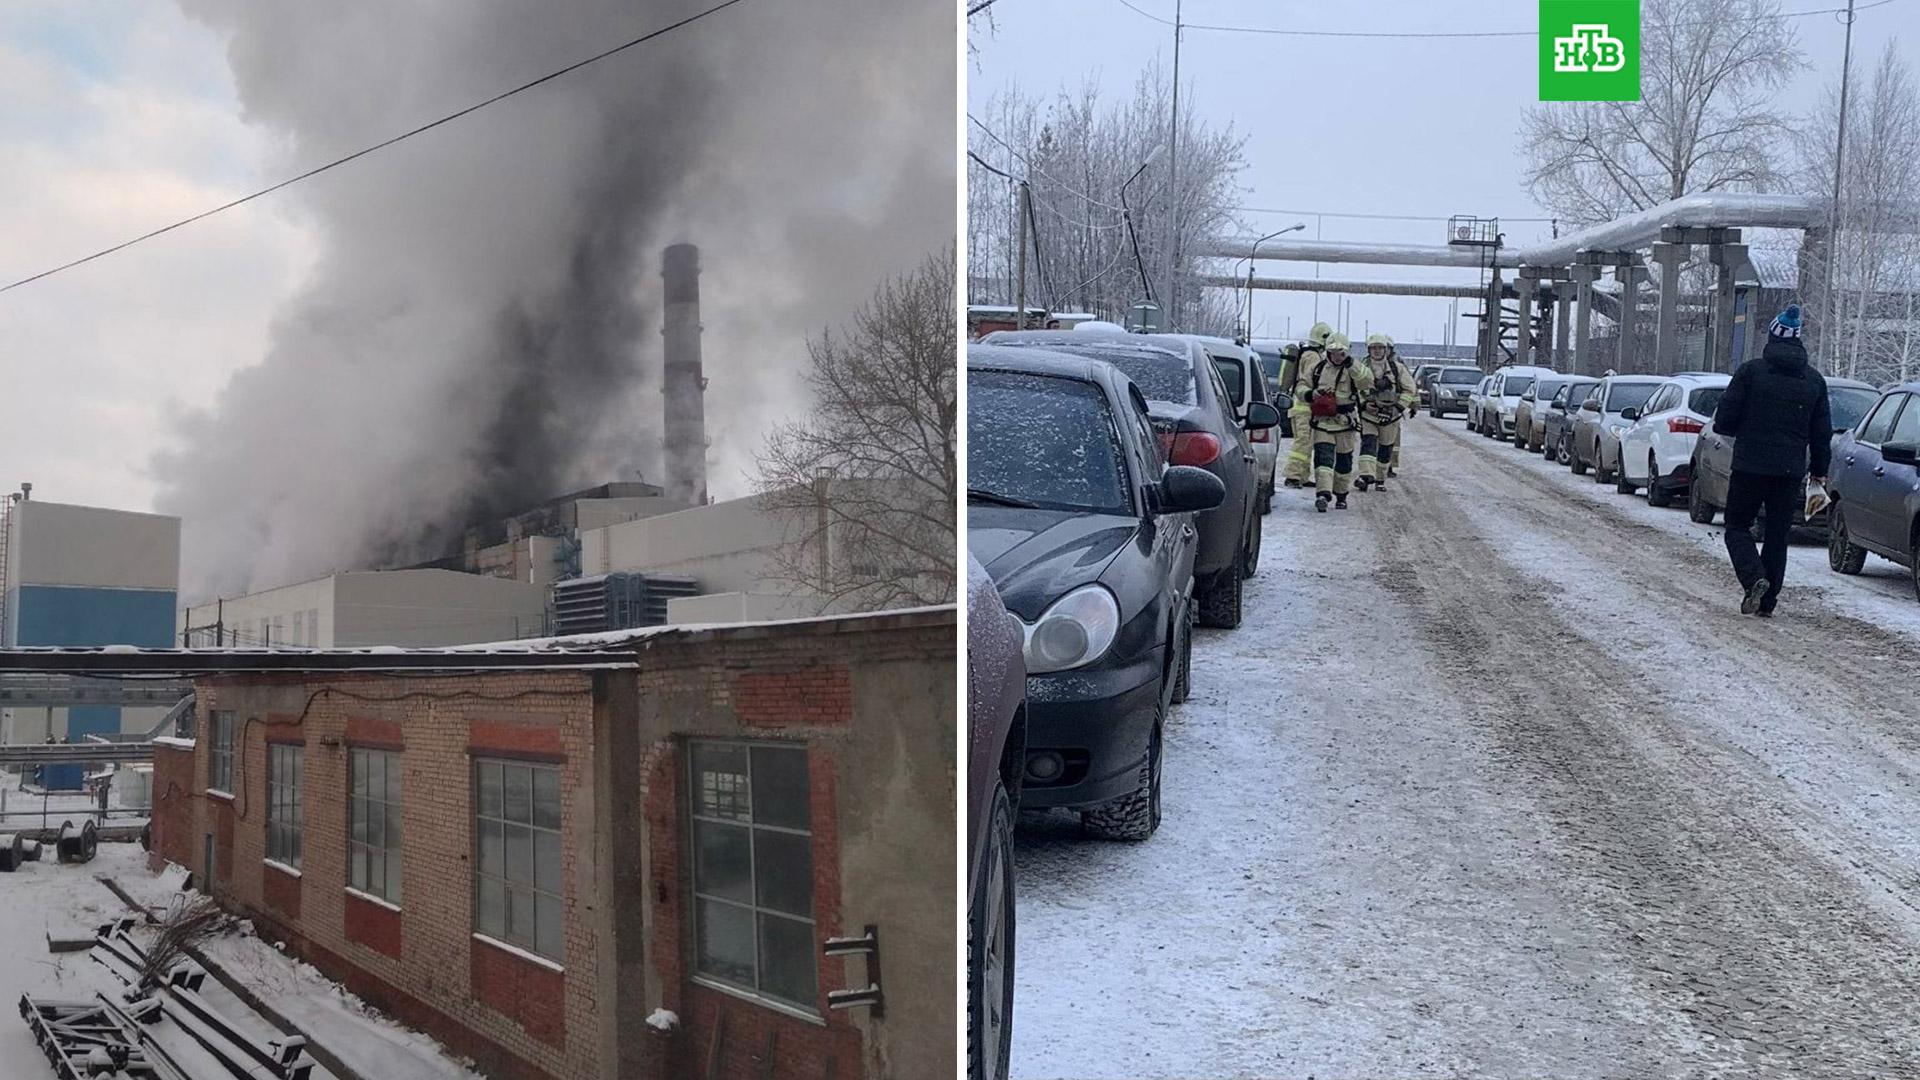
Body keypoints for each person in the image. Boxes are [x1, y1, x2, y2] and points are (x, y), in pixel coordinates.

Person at [1711, 304, 1831, 617]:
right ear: (1798, 339)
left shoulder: (1750, 372)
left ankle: (1754, 579)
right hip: (1789, 470)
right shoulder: (1814, 381)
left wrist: (1743, 429)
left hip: (1749, 466)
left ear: (1772, 337)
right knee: (1777, 535)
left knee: (1737, 525)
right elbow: (1822, 433)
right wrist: (1819, 471)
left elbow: (1724, 421)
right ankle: (1767, 602)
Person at [1300, 332, 1374, 511]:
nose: (1337, 357)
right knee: (1323, 458)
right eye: (1333, 353)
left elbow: (1367, 381)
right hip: (1323, 422)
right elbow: (1301, 385)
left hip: (1345, 424)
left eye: (1341, 353)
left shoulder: (1354, 368)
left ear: (1346, 352)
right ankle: (1323, 494)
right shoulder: (1318, 369)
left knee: (1344, 462)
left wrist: (1352, 365)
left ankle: (1341, 495)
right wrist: (1311, 394)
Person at [1356, 334, 1415, 491]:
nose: (1377, 351)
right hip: (1368, 416)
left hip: (1391, 418)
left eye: (1380, 348)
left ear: (1386, 349)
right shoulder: (1360, 368)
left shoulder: (1397, 368)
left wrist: (1398, 408)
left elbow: (1410, 389)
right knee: (1368, 443)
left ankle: (1380, 478)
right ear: (1369, 350)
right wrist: (1364, 405)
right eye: (1373, 348)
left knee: (1385, 448)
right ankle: (1365, 475)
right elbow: (1353, 389)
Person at [1280, 324, 1332, 487]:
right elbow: (1310, 380)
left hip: (1301, 407)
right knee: (1303, 443)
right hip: (1305, 408)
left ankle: (1302, 476)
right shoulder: (1313, 357)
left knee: (1307, 442)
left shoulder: (1307, 354)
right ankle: (1292, 476)